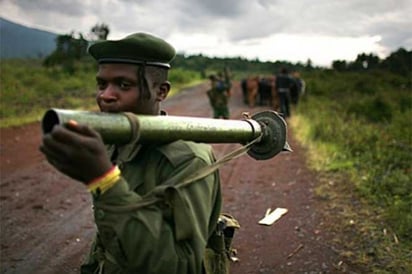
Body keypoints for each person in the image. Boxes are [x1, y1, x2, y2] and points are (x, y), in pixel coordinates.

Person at [40, 32, 227, 274]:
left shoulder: (188, 160)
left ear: (161, 91)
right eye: (102, 84)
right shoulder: (117, 143)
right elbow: (109, 233)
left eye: (123, 85)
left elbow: (181, 266)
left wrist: (105, 181)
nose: (105, 96)